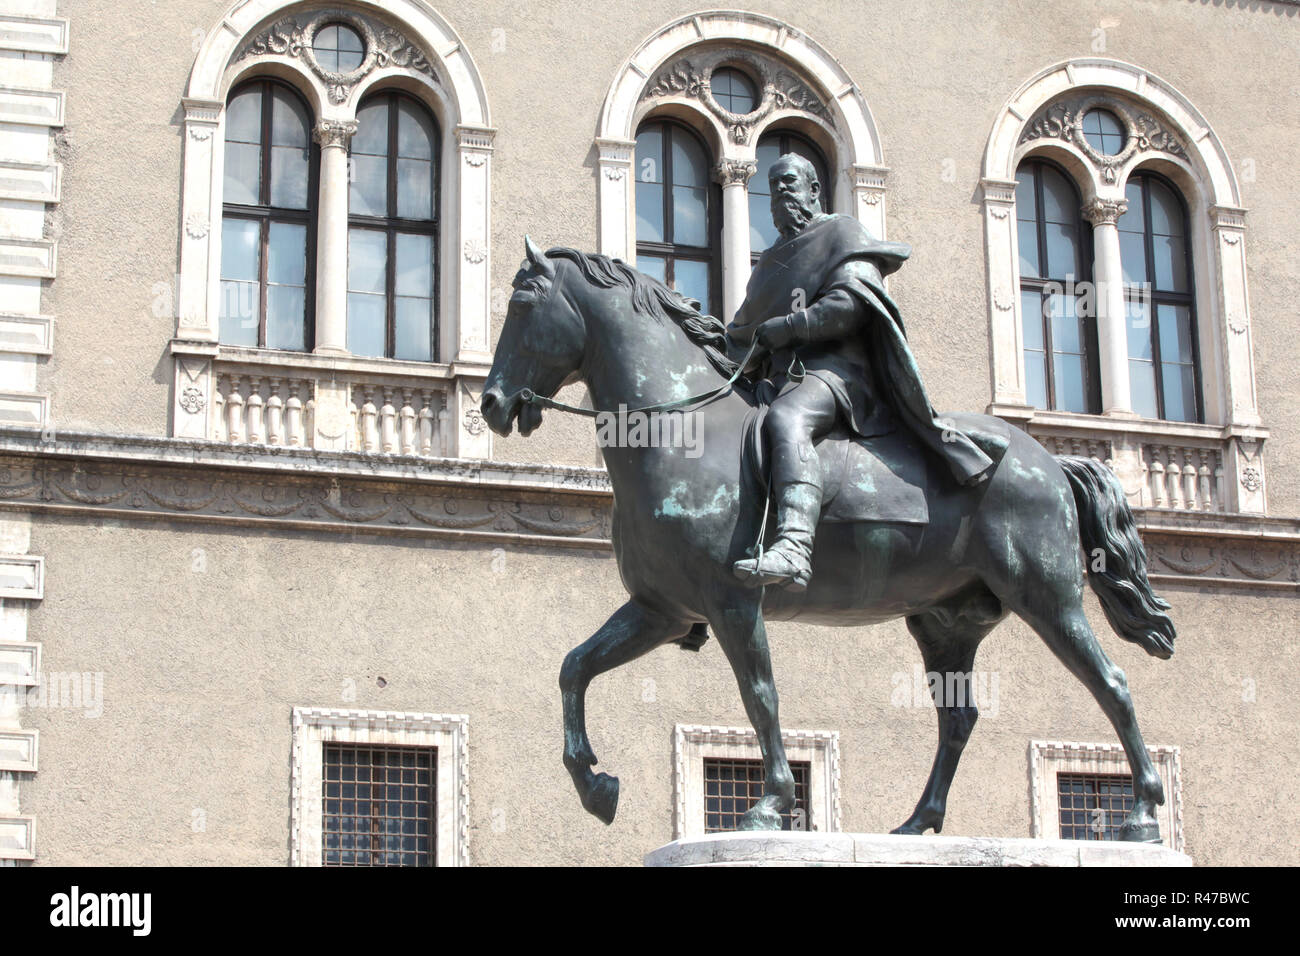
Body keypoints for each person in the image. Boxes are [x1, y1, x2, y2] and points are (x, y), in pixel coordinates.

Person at [728, 153, 994, 589]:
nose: (779, 193)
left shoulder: (841, 234)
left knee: (787, 419)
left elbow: (849, 306)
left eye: (789, 183)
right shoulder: (769, 263)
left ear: (814, 191)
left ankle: (794, 546)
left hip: (837, 376)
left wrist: (789, 327)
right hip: (779, 379)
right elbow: (741, 335)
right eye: (773, 186)